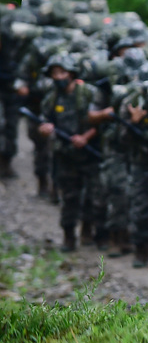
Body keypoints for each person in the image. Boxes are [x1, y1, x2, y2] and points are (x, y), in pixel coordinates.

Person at [36, 54, 113, 251]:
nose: (59, 77)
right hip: (65, 155)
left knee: (96, 197)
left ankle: (94, 231)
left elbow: (102, 121)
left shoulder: (88, 93)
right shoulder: (52, 97)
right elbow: (44, 119)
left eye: (62, 72)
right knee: (69, 197)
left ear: (71, 73)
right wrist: (46, 129)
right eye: (55, 74)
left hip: (90, 153)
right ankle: (69, 235)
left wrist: (85, 137)